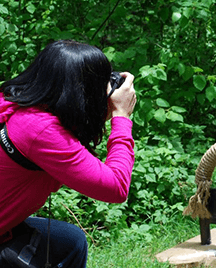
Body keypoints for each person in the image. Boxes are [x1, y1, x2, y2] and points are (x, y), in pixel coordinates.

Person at [0, 40, 136, 267]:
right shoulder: (39, 131)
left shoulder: (18, 103)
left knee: (69, 240)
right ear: (81, 91)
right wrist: (121, 116)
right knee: (67, 242)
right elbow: (116, 187)